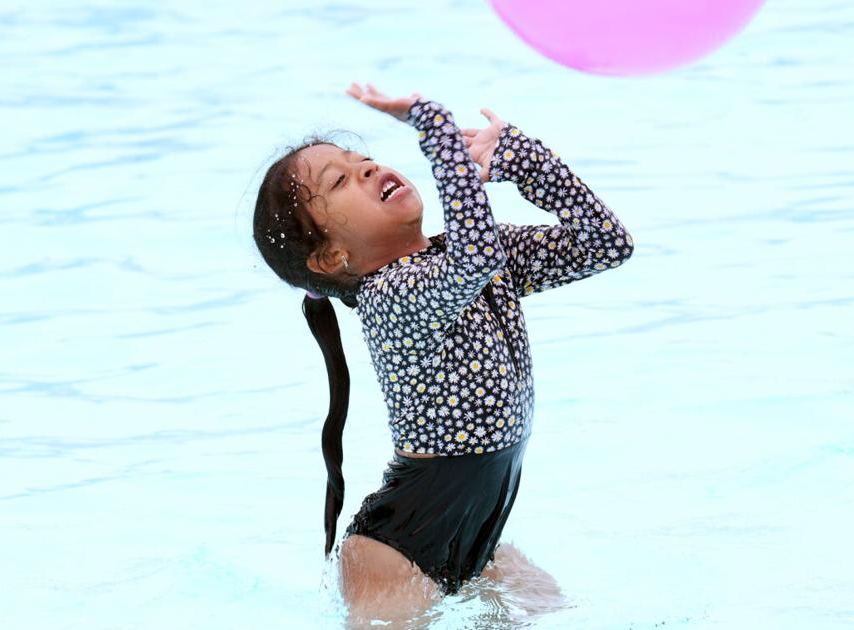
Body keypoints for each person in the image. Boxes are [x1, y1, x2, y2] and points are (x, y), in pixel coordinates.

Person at [251, 82, 635, 623]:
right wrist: (435, 127)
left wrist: (528, 165)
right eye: (340, 180)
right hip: (396, 550)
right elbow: (475, 258)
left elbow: (605, 245)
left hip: (480, 541)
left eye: (363, 161)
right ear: (332, 255)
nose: (365, 169)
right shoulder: (391, 296)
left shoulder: (464, 257)